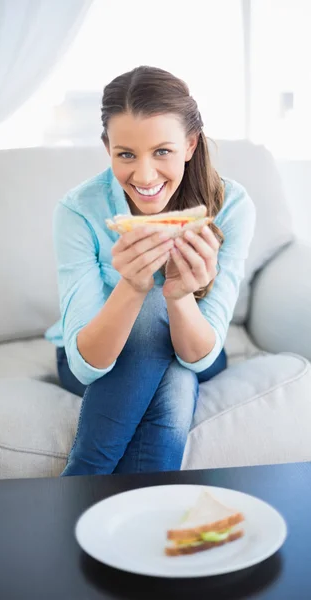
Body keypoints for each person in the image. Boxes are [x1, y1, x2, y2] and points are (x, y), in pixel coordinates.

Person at [45, 65, 255, 476]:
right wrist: (132, 287)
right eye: (126, 154)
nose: (143, 176)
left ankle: (78, 487)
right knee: (173, 381)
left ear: (191, 144)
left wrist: (177, 295)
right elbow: (86, 364)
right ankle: (152, 521)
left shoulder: (232, 206)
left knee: (168, 332)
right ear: (107, 148)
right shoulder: (77, 210)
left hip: (196, 343)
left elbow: (199, 356)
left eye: (162, 151)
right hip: (96, 351)